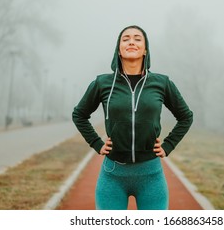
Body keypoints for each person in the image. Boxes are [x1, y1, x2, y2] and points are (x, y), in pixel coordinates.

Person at [72, 25, 193, 210]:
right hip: (113, 174)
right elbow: (79, 114)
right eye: (125, 39)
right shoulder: (103, 83)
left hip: (151, 175)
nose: (131, 42)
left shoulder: (162, 83)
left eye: (137, 39)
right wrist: (96, 143)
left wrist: (169, 145)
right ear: (118, 49)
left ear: (145, 50)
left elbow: (186, 116)